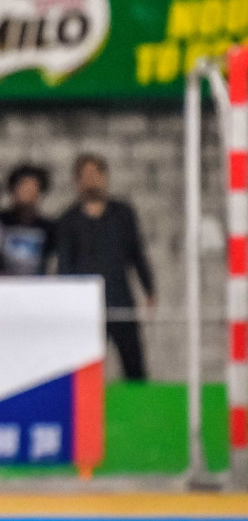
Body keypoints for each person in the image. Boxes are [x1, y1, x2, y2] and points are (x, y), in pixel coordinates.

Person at [54, 153, 154, 380]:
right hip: (85, 306)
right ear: (77, 181)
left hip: (120, 300)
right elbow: (64, 264)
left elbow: (136, 253)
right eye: (86, 176)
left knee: (134, 367)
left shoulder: (122, 214)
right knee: (84, 370)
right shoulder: (68, 219)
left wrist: (149, 288)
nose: (91, 181)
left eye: (96, 174)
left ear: (105, 177)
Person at [0, 164, 56, 276]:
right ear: (13, 190)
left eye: (32, 187)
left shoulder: (48, 228)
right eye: (23, 186)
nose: (27, 191)